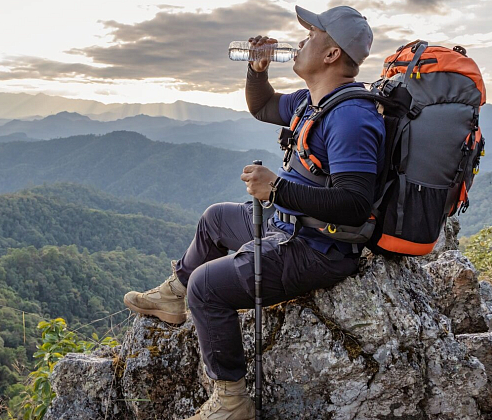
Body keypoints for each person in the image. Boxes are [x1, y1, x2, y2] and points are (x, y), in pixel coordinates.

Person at [123, 5, 383, 420]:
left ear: (332, 54)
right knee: (215, 218)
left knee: (208, 286)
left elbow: (354, 205)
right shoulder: (313, 101)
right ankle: (175, 297)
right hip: (287, 225)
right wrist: (257, 69)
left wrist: (277, 188)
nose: (300, 40)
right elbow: (262, 106)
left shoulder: (351, 118)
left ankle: (232, 401)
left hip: (318, 248)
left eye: (310, 34)